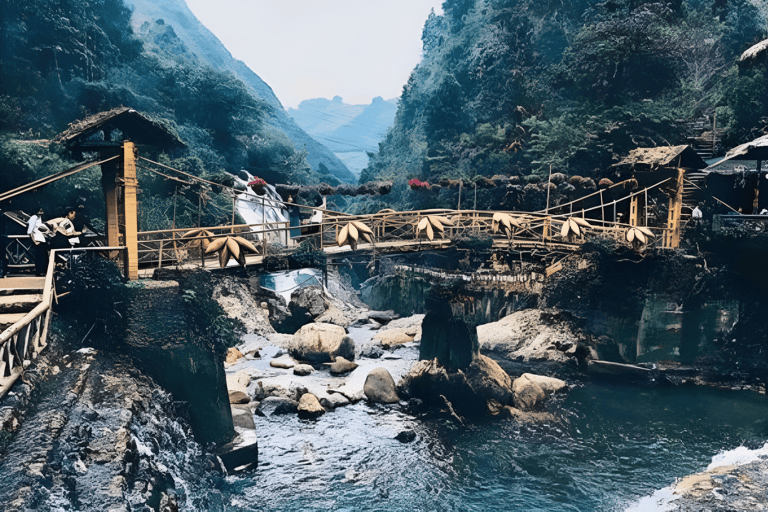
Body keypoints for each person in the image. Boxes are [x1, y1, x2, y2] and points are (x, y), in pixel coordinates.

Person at [27, 207, 50, 276]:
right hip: (37, 239)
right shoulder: (34, 217)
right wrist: (34, 241)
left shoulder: (39, 218)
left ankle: (44, 270)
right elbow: (30, 231)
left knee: (44, 256)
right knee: (40, 257)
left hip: (42, 239)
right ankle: (39, 271)